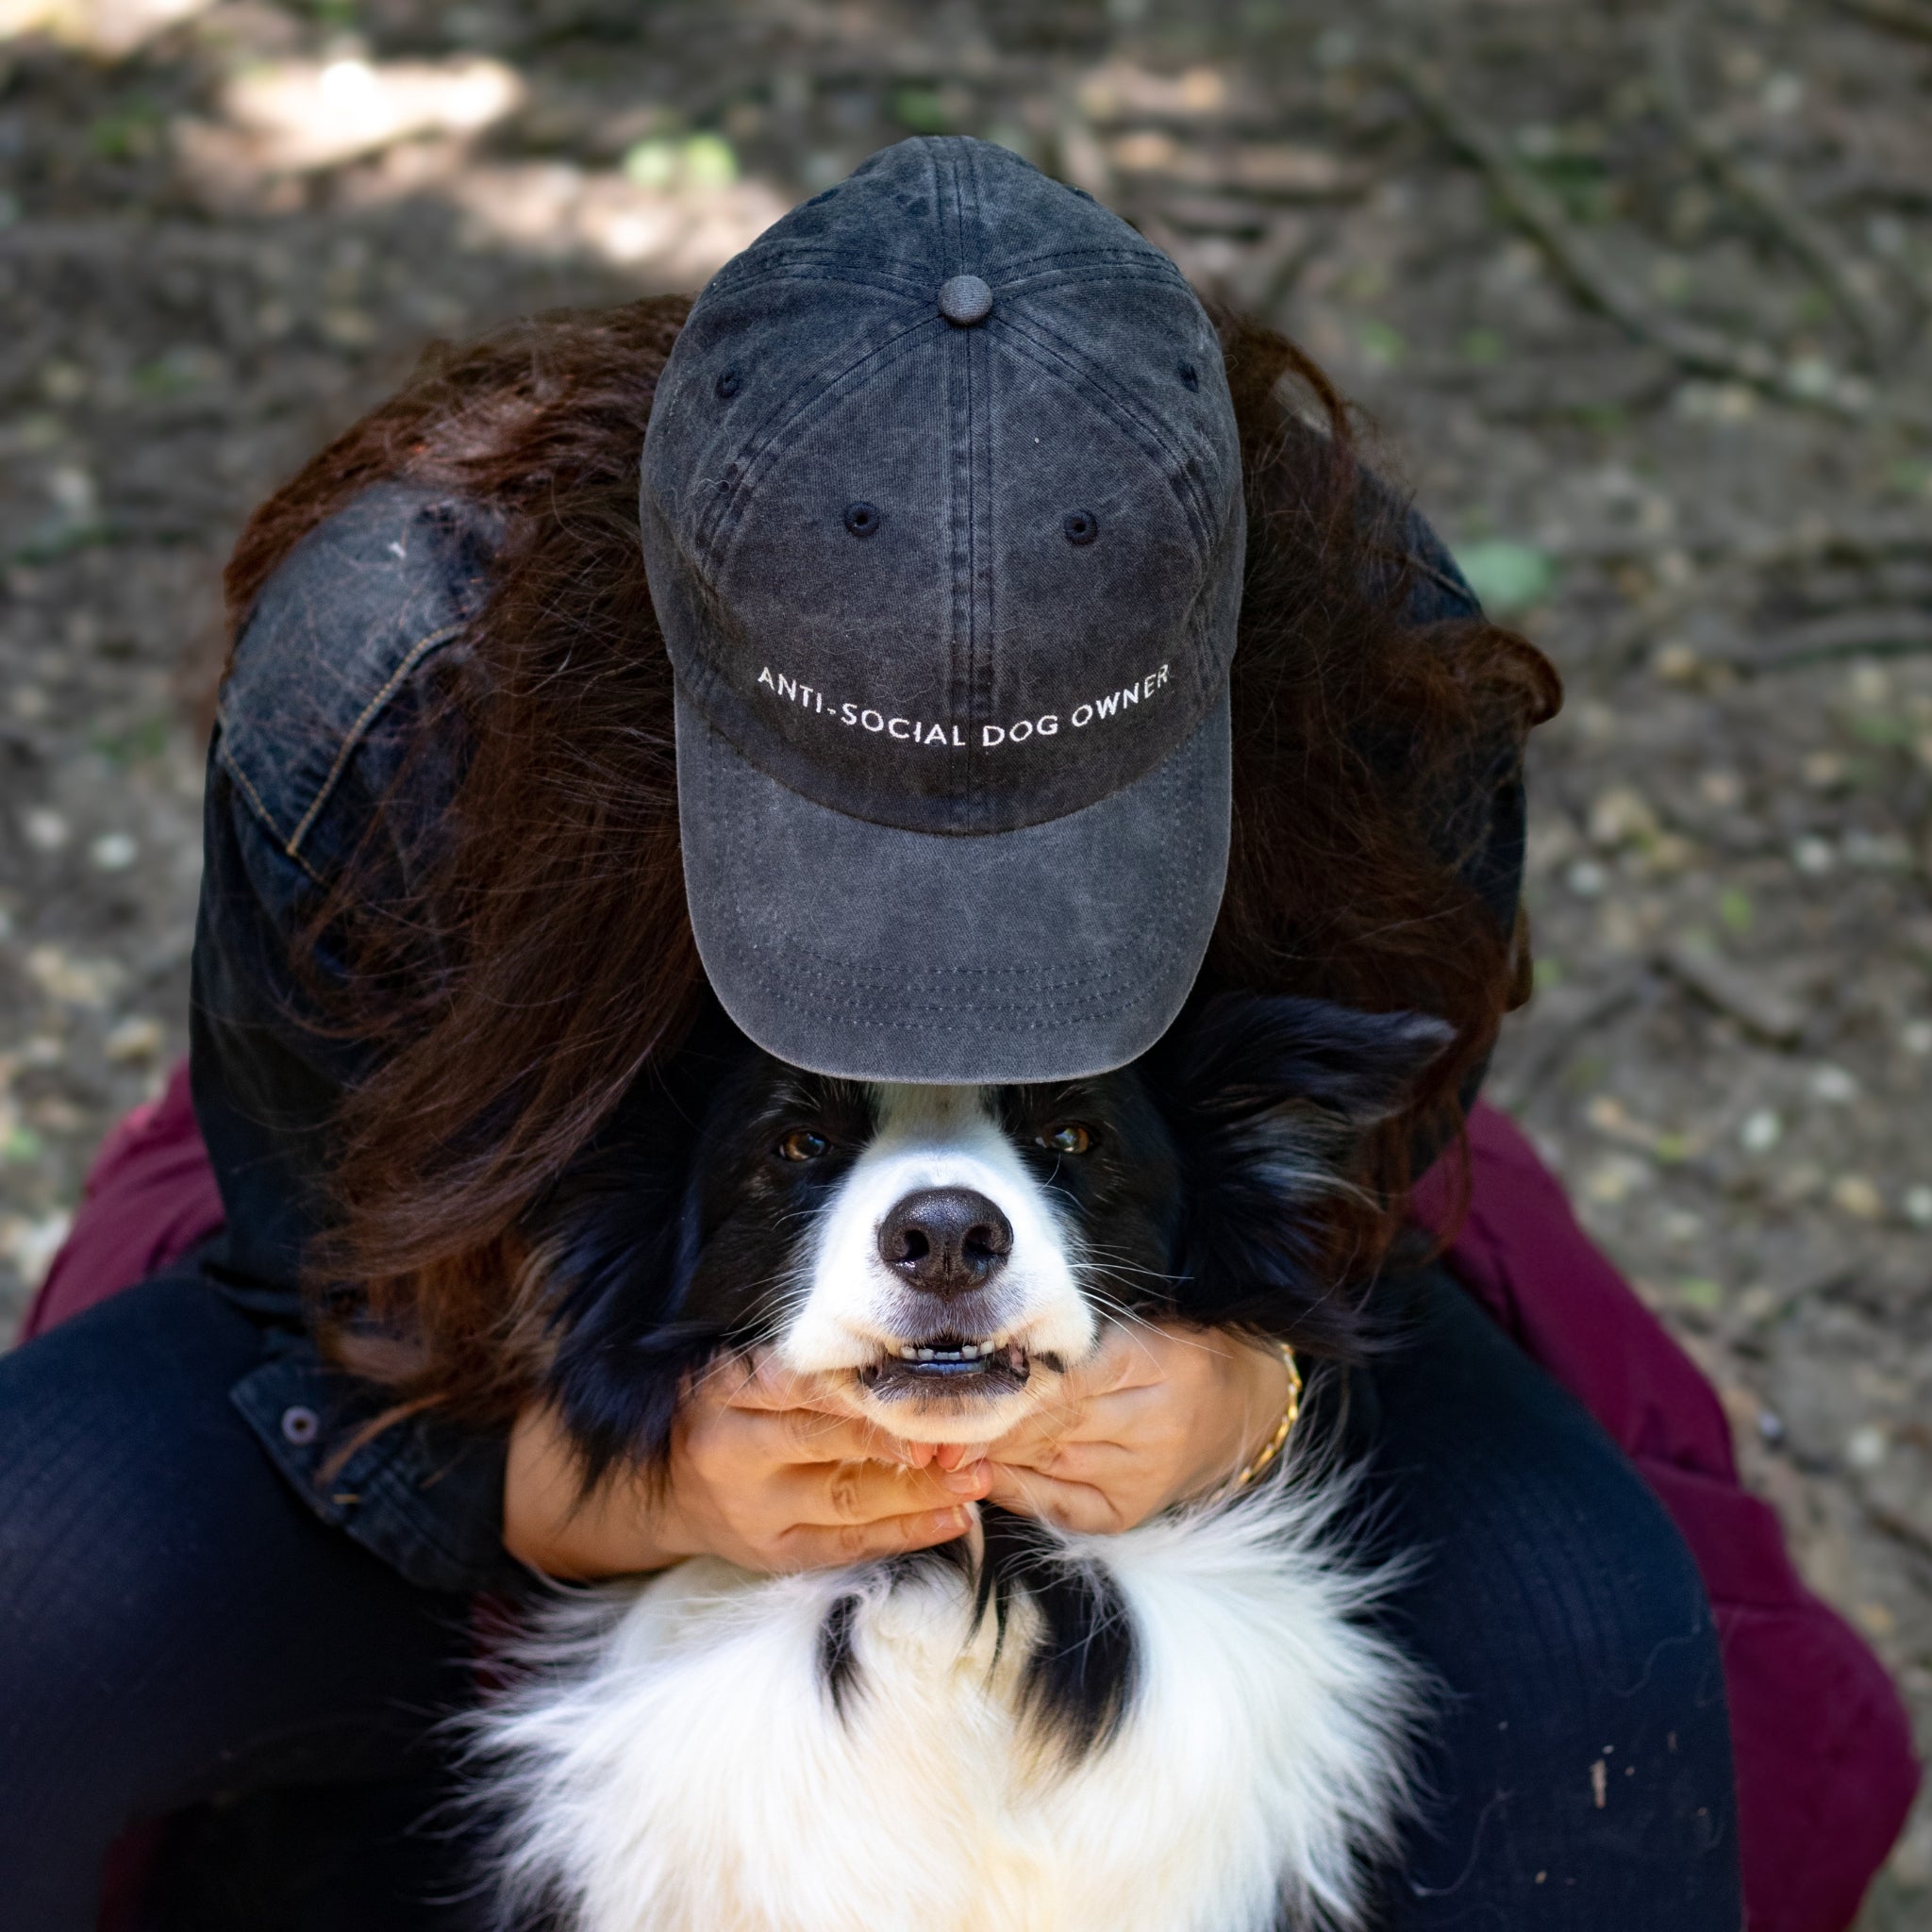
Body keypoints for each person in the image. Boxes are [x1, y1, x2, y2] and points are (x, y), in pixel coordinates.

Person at [0, 138, 1752, 1928]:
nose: (952, 974)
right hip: (507, 1352)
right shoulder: (395, 686)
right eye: (860, 873)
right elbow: (334, 1287)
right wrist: (612, 1482)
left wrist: (1250, 1392)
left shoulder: (1382, 690)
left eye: (1052, 875)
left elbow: (1348, 1187)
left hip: (1170, 1297)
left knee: (1595, 1644)